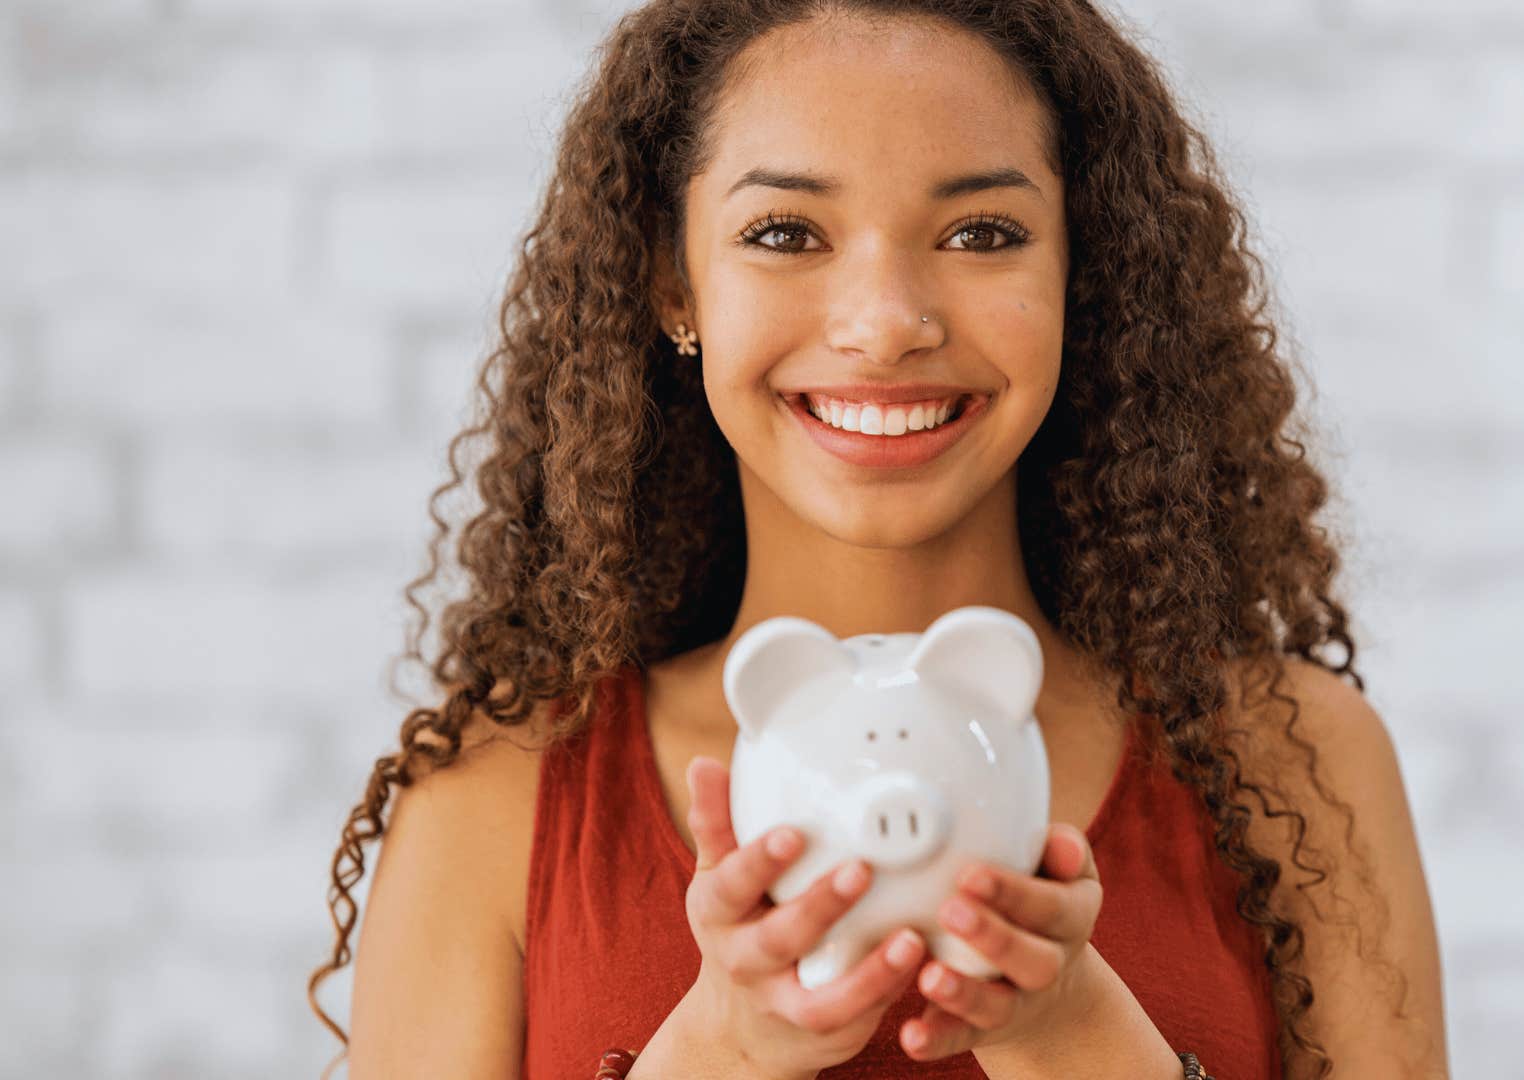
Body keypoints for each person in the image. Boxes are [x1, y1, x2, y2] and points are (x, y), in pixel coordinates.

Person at [307, 1, 1447, 1077]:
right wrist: (724, 1051)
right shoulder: (493, 801)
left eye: (983, 232)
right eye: (787, 232)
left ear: (1077, 275)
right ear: (673, 285)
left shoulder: (1294, 760)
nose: (887, 321)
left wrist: (1075, 1037)